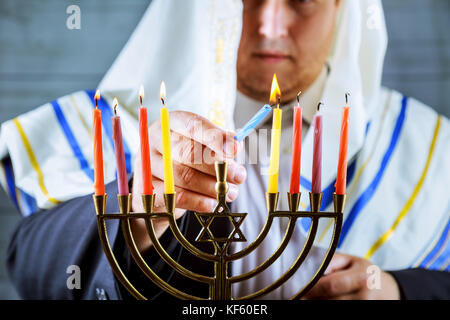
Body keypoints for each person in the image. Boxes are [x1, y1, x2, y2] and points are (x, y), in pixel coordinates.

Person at [1, 0, 449, 300]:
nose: (271, 26)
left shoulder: (421, 144)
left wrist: (398, 289)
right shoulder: (123, 125)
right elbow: (32, 268)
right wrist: (137, 212)